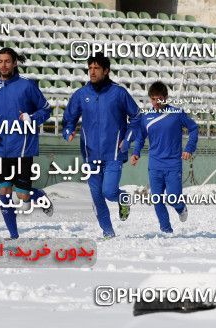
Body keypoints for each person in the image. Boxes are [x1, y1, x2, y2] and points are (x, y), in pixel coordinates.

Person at [62, 52, 140, 238]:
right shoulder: (81, 94)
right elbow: (69, 119)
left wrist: (127, 139)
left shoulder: (119, 93)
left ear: (106, 70)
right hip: (90, 155)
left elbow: (137, 117)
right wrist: (68, 131)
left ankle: (123, 198)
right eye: (90, 68)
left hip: (113, 153)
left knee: (108, 191)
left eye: (96, 68)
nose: (92, 72)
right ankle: (108, 231)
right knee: (97, 195)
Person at [0, 47, 53, 239]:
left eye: (7, 61)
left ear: (14, 63)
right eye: (0, 61)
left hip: (22, 147)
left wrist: (32, 117)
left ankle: (37, 195)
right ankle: (13, 235)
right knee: (4, 191)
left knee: (23, 196)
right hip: (0, 148)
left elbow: (46, 110)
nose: (3, 65)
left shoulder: (27, 86)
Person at [129, 81, 198, 233]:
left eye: (159, 99)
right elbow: (140, 138)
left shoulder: (177, 114)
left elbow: (193, 128)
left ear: (166, 98)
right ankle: (166, 230)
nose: (156, 102)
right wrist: (136, 153)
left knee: (173, 197)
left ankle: (181, 208)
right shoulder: (146, 118)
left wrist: (189, 148)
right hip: (155, 164)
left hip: (173, 164)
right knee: (157, 199)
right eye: (153, 99)